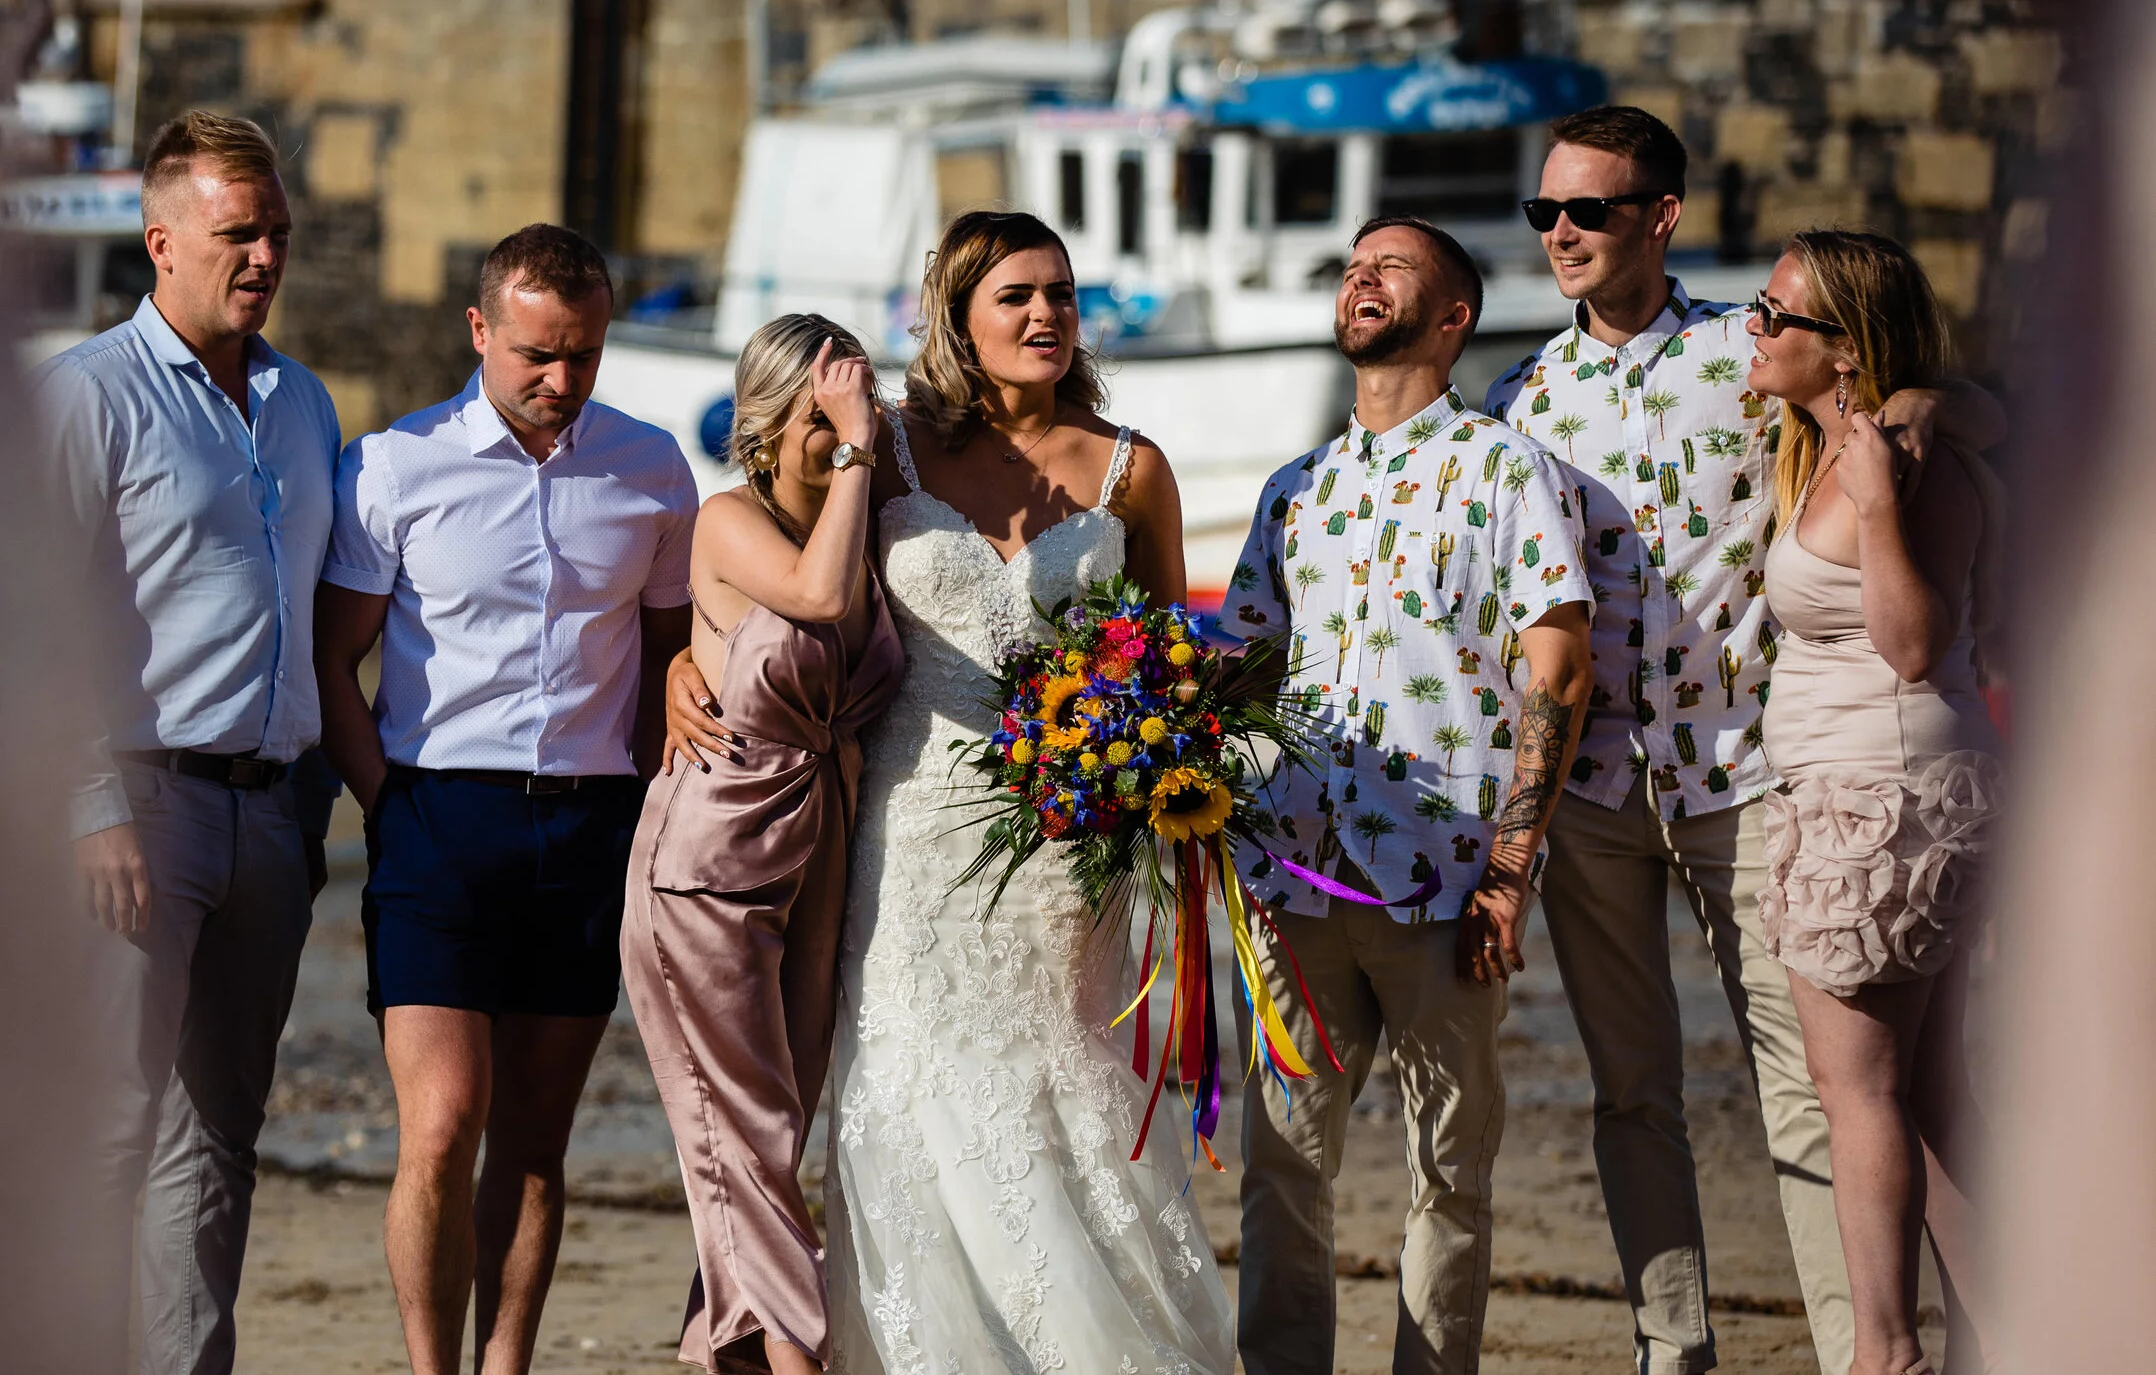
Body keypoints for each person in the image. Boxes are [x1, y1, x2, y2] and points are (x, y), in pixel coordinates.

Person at [1486, 104, 2001, 1374]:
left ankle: (1853, 1347)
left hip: (1760, 773)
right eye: (1542, 212)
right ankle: (1675, 1345)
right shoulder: (1516, 401)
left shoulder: (1752, 350)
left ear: (1658, 216)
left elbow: (1944, 407)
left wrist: (1931, 396)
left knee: (1822, 1091)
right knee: (1629, 1093)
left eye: (1587, 210)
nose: (1559, 233)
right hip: (1597, 788)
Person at [671, 210, 1233, 1372]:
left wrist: (1139, 764)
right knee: (916, 1086)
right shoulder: (890, 448)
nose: (1045, 316)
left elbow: (1171, 658)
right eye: (1016, 295)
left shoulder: (1131, 467)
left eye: (1062, 295)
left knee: (1065, 1086)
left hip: (1069, 836)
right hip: (908, 825)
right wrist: (695, 651)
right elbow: (770, 548)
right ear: (957, 317)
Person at [313, 224, 697, 1375]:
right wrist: (386, 803)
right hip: (434, 816)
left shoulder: (651, 469)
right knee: (440, 1123)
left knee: (535, 1139)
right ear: (480, 329)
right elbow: (337, 662)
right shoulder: (391, 465)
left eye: (582, 353)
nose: (560, 379)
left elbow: (669, 661)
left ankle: (506, 1364)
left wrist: (639, 811)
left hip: (589, 824)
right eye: (535, 351)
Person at [1224, 217, 1595, 1375]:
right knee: (1282, 1163)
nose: (1359, 277)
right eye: (1351, 265)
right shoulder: (1296, 488)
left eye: (1392, 267)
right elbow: (1241, 666)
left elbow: (1560, 666)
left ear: (1452, 317)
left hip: (1443, 887)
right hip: (1289, 872)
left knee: (1452, 1168)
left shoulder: (1505, 470)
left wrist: (1509, 870)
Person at [33, 109, 341, 1375]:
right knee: (105, 1126)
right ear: (163, 241)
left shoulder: (303, 401)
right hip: (138, 803)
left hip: (273, 812)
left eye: (275, 230)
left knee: (219, 1133)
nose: (263, 254)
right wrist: (88, 805)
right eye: (237, 232)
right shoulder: (88, 394)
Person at [621, 316, 903, 1375]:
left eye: (852, 405)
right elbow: (820, 599)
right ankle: (798, 1360)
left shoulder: (857, 512)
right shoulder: (729, 519)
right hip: (711, 860)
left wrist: (860, 456)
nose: (839, 430)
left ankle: (726, 1347)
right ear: (769, 417)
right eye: (818, 413)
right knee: (738, 1126)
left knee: (771, 1122)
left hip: (822, 842)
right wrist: (859, 446)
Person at [1747, 232, 1999, 1375]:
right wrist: (1910, 404)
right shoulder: (1874, 432)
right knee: (1928, 1091)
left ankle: (1884, 1353)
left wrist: (1879, 498)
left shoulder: (1894, 467)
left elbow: (1910, 642)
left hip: (1876, 801)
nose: (1753, 327)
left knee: (1860, 1092)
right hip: (1869, 789)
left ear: (1842, 349)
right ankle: (2010, 1330)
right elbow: (1991, 407)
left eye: (1775, 314)